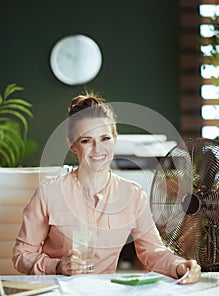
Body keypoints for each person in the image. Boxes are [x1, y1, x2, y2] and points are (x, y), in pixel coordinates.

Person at [12, 91, 201, 284]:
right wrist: (57, 266)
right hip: (58, 293)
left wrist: (179, 266)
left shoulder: (134, 196)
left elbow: (152, 252)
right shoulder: (49, 192)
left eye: (105, 138)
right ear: (72, 146)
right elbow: (21, 255)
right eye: (86, 140)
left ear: (115, 139)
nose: (98, 150)